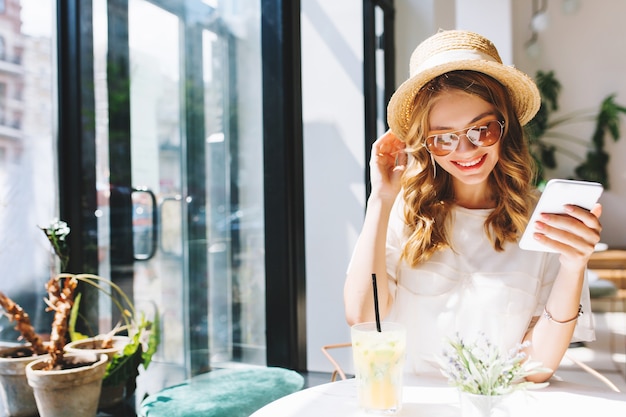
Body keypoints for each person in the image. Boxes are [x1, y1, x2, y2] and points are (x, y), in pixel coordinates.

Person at [344, 29, 602, 382]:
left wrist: (573, 266)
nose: (465, 151)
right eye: (444, 138)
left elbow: (536, 368)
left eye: (481, 130)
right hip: (409, 405)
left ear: (505, 126)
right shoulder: (403, 212)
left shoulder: (542, 221)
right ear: (425, 143)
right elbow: (364, 319)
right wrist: (380, 200)